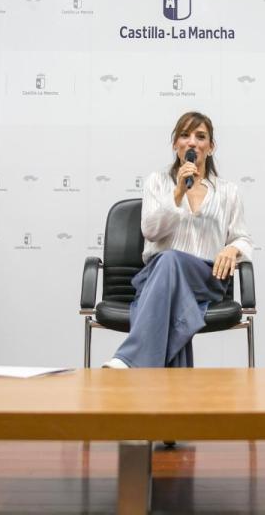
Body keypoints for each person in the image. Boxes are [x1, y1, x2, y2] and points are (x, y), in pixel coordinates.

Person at [103, 111, 253, 369]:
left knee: (170, 260)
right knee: (171, 276)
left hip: (206, 277)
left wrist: (232, 248)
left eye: (200, 136)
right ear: (175, 144)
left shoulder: (228, 192)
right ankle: (171, 389)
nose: (192, 142)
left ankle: (130, 359)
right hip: (158, 277)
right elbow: (150, 230)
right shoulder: (157, 182)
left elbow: (243, 239)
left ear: (211, 147)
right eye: (185, 135)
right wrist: (178, 192)